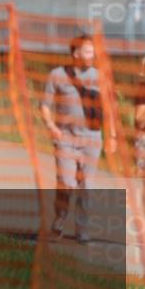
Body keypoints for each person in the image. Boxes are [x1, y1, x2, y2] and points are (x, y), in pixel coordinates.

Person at [39, 34, 108, 244]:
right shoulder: (57, 74)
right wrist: (51, 126)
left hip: (92, 138)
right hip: (66, 137)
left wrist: (111, 135)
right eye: (88, 51)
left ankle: (82, 229)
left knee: (86, 185)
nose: (92, 55)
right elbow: (44, 105)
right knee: (66, 183)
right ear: (76, 53)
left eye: (93, 51)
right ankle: (59, 221)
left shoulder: (100, 76)